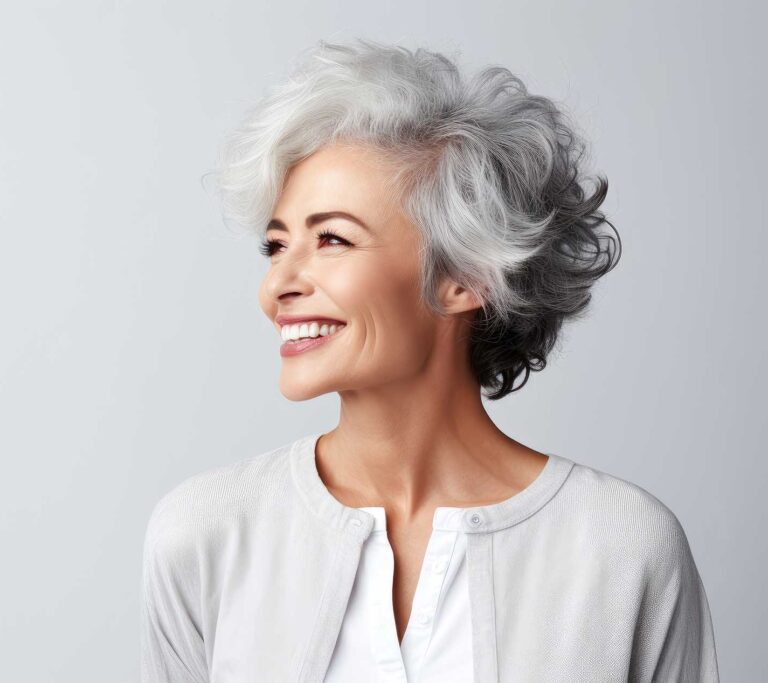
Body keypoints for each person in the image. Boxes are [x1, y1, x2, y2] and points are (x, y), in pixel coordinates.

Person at [140, 39, 719, 682]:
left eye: (331, 238)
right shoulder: (206, 535)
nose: (278, 285)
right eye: (276, 246)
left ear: (465, 276)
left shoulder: (621, 549)